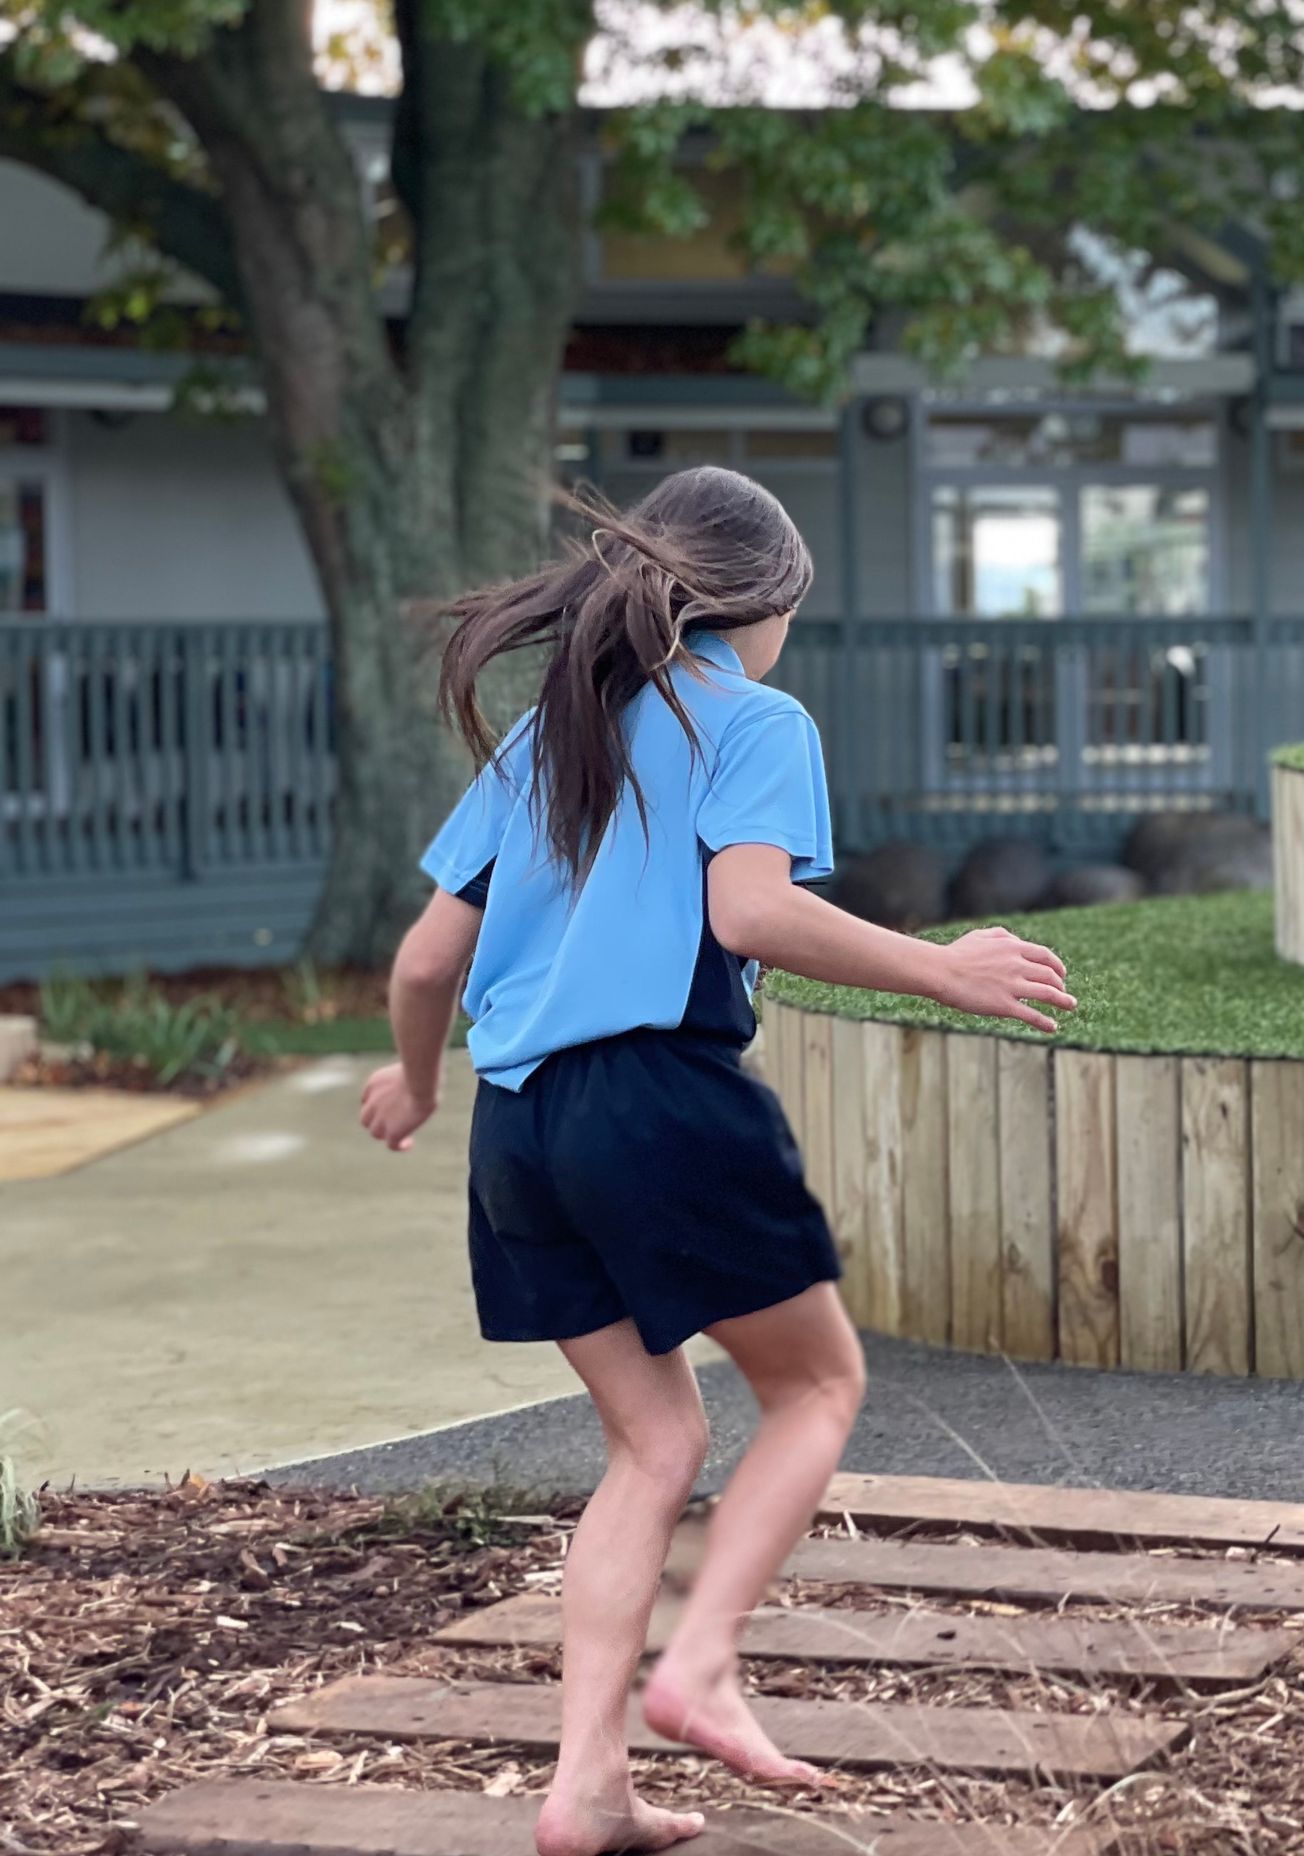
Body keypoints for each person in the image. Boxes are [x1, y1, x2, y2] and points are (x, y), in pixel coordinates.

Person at [357, 466, 1075, 1856]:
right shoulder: (753, 717)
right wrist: (941, 968)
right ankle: (701, 1669)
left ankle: (586, 1789)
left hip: (517, 1128)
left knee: (653, 1442)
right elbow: (747, 913)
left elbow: (427, 958)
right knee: (816, 1386)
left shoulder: (544, 737)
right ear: (762, 604)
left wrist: (420, 1080)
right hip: (655, 1095)